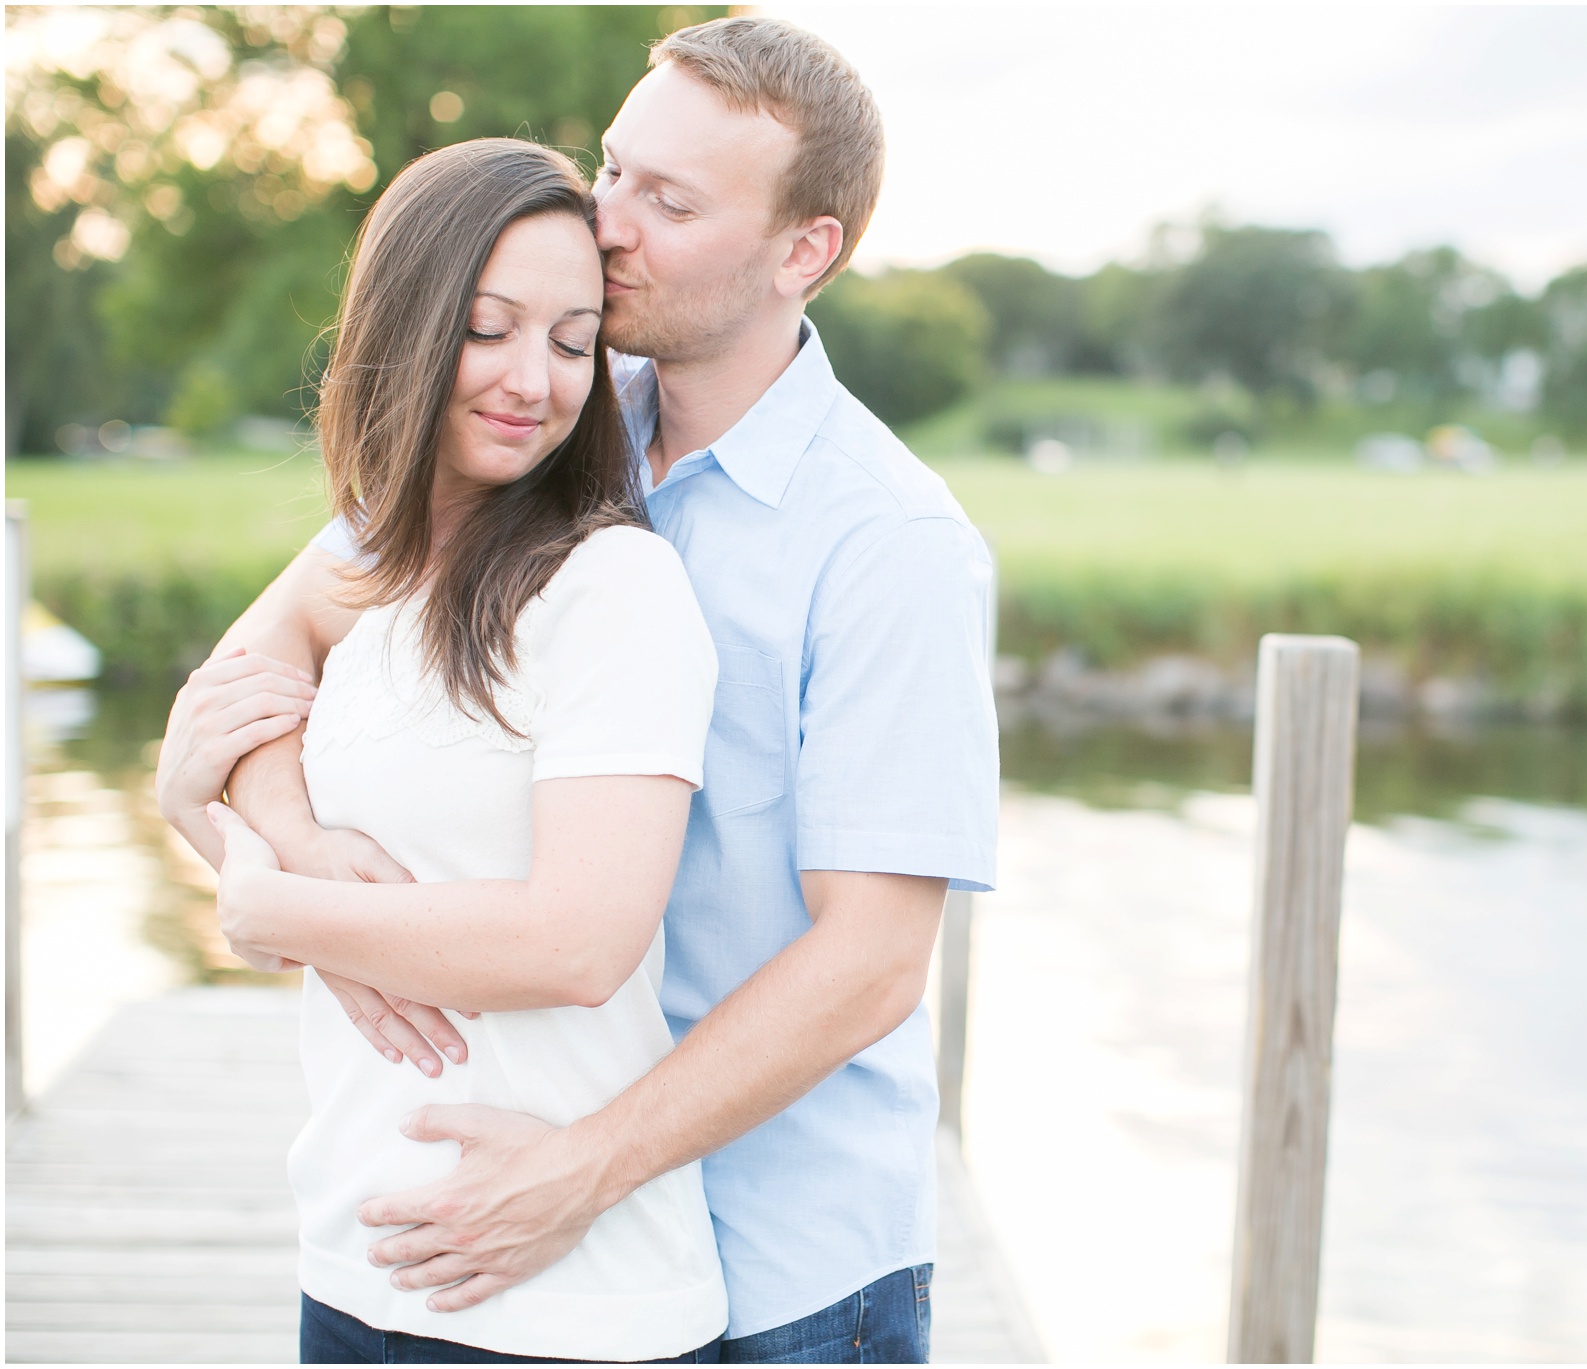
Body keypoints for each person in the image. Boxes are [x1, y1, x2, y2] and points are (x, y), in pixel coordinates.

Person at [156, 17, 999, 1365]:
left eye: (667, 201)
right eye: (614, 170)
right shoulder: (547, 405)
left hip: (783, 1264)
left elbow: (874, 963)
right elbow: (268, 657)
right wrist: (311, 870)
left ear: (805, 252)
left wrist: (584, 1170)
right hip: (519, 1228)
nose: (606, 225)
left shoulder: (889, 544)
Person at [191, 136, 729, 1362]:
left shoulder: (613, 588)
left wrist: (277, 909)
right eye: (489, 327)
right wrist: (299, 846)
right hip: (353, 1268)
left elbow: (580, 942)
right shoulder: (367, 565)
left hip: (570, 1307)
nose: (532, 379)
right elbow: (218, 710)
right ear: (407, 323)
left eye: (572, 338)